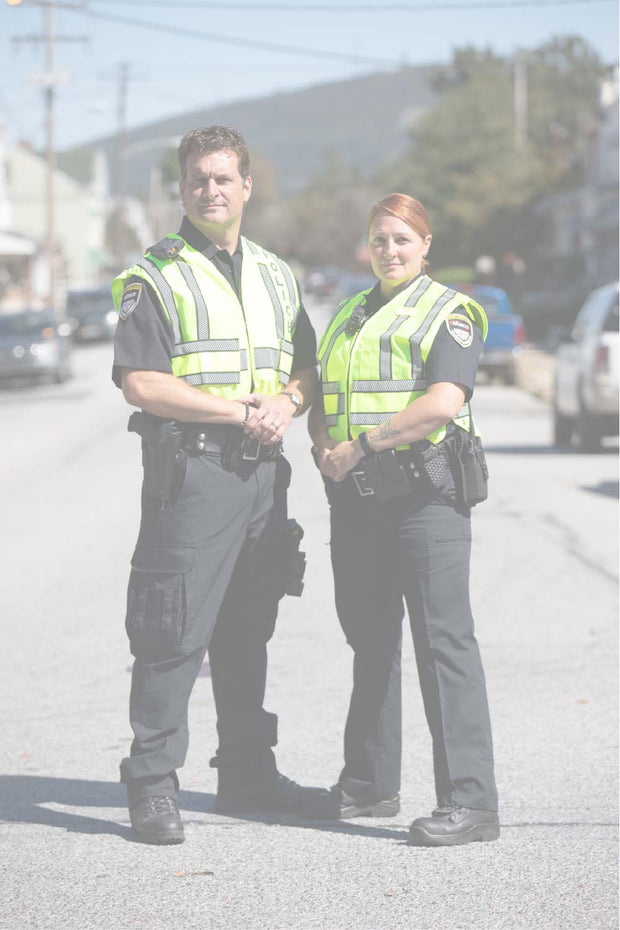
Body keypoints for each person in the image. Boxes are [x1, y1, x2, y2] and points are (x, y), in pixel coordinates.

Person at [112, 125, 328, 844]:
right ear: (182, 188)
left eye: (224, 178)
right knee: (172, 629)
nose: (211, 189)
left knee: (248, 625)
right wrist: (237, 412)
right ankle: (151, 784)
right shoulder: (155, 275)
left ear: (247, 186)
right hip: (196, 471)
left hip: (264, 475)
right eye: (199, 179)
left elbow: (306, 367)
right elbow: (141, 383)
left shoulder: (275, 273)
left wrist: (288, 402)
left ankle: (247, 774)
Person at [308, 193, 499, 847]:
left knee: (444, 644)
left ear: (425, 245)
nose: (389, 251)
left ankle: (471, 802)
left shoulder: (450, 313)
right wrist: (322, 445)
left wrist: (360, 445)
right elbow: (325, 390)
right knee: (370, 642)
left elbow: (442, 402)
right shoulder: (349, 313)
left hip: (425, 499)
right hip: (357, 500)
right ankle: (369, 784)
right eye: (379, 240)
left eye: (401, 240)